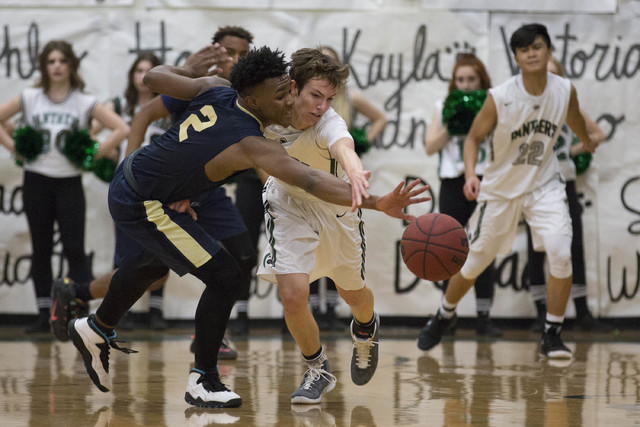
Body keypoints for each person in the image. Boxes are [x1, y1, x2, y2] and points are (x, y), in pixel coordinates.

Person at [66, 45, 430, 408]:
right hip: (143, 198)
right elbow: (310, 181)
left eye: (290, 91)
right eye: (282, 95)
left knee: (158, 260)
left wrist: (188, 70)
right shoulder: (253, 141)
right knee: (227, 277)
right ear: (255, 101)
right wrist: (379, 201)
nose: (289, 102)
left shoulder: (215, 87)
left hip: (146, 183)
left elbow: (154, 78)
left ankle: (96, 327)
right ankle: (204, 379)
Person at [50, 39, 249, 359]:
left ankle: (211, 336)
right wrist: (129, 174)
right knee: (152, 267)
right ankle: (80, 295)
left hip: (204, 190)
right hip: (156, 188)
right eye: (230, 53)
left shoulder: (247, 99)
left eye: (244, 54)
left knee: (239, 257)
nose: (237, 60)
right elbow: (142, 116)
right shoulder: (203, 87)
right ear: (216, 56)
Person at [416, 23, 598, 360]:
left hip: (544, 187)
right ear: (515, 57)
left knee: (560, 251)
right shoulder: (499, 97)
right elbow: (471, 138)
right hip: (500, 191)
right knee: (472, 262)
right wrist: (471, 174)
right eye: (524, 49)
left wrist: (588, 142)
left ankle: (552, 333)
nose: (531, 53)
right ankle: (445, 313)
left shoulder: (564, 90)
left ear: (549, 51)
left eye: (538, 46)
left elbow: (577, 124)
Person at [256, 48, 403, 404]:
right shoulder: (265, 115)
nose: (322, 106)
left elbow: (345, 148)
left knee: (353, 294)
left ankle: (366, 328)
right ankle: (317, 368)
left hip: (336, 208)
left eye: (329, 98)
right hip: (288, 204)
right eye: (315, 96)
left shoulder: (329, 122)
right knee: (292, 295)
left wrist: (355, 173)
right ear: (293, 88)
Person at [0, 40, 129, 333]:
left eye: (62, 60)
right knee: (41, 248)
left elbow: (122, 128)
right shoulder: (30, 97)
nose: (57, 66)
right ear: (44, 66)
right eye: (51, 61)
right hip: (36, 180)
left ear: (71, 65)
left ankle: (79, 313)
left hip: (69, 182)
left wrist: (91, 154)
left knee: (74, 249)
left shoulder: (83, 101)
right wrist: (16, 149)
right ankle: (44, 313)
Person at [302, 45, 388, 331]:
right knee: (309, 247)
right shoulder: (293, 104)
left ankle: (336, 312)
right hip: (306, 176)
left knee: (336, 251)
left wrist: (362, 142)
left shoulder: (344, 103)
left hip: (337, 174)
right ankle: (312, 309)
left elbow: (378, 119)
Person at [527, 56, 610, 332]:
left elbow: (597, 135)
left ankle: (582, 312)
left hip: (565, 181)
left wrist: (568, 151)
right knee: (536, 250)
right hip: (536, 184)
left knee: (573, 247)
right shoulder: (527, 106)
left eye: (553, 74)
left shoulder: (566, 103)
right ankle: (542, 313)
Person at [91, 52, 172, 330]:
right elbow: (89, 132)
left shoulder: (170, 106)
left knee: (162, 249)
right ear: (131, 75)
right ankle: (118, 308)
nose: (142, 76)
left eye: (149, 70)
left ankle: (155, 310)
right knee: (125, 252)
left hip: (161, 188)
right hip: (127, 189)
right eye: (138, 70)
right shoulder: (118, 105)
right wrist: (105, 150)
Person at [424, 53, 501, 337]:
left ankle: (484, 317)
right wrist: (453, 121)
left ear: (482, 81)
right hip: (452, 183)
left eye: (471, 79)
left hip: (485, 179)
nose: (466, 85)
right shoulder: (443, 105)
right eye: (461, 80)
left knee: (484, 247)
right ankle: (448, 314)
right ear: (453, 83)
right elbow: (430, 146)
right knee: (448, 250)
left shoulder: (492, 106)